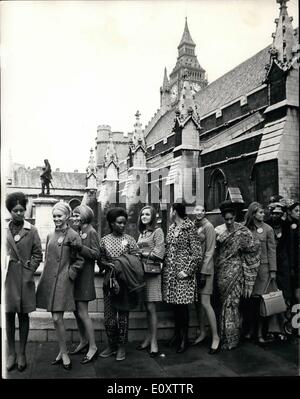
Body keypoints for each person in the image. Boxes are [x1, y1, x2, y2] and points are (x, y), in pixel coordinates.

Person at [36, 202, 84, 370]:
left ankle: (64, 354)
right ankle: (62, 351)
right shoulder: (50, 235)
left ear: (67, 216)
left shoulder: (73, 235)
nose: (57, 219)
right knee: (56, 319)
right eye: (54, 216)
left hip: (64, 280)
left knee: (57, 317)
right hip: (50, 280)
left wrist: (70, 273)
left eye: (60, 216)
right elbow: (48, 257)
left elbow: (79, 259)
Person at [4, 192, 43, 372]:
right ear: (9, 211)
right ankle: (10, 352)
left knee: (24, 315)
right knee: (9, 315)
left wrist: (30, 269)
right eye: (15, 210)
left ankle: (22, 353)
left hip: (24, 279)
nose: (19, 213)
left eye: (22, 210)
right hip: (7, 279)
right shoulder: (4, 230)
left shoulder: (32, 230)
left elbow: (38, 254)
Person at [215, 201, 260, 350]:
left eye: (231, 219)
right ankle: (225, 337)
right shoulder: (217, 231)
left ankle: (232, 339)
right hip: (221, 271)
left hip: (236, 271)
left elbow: (253, 248)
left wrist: (243, 261)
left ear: (234, 217)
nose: (228, 221)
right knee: (224, 304)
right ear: (222, 217)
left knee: (233, 304)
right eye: (226, 219)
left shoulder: (242, 231)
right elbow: (213, 251)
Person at [98, 207, 139, 361]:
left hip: (125, 282)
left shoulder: (130, 240)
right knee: (109, 316)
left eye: (124, 223)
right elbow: (100, 260)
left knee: (123, 316)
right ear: (111, 223)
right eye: (119, 223)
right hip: (109, 282)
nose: (122, 225)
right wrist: (105, 264)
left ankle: (122, 347)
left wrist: (123, 263)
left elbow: (136, 260)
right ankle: (111, 345)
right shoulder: (104, 240)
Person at [162, 202, 202, 354]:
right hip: (171, 273)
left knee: (183, 307)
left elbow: (197, 253)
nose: (170, 213)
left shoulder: (189, 227)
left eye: (171, 210)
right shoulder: (172, 228)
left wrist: (188, 271)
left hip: (183, 274)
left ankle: (185, 338)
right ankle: (177, 335)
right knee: (175, 306)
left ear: (174, 212)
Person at [69, 205, 100, 363]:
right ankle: (83, 341)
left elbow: (96, 253)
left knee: (82, 312)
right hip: (76, 276)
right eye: (73, 215)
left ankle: (93, 346)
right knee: (76, 311)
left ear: (85, 216)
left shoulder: (92, 231)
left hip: (85, 277)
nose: (74, 218)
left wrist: (81, 247)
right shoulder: (79, 231)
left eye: (77, 215)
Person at [244, 201, 277, 345]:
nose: (263, 215)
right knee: (250, 302)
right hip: (249, 269)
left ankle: (259, 333)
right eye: (260, 212)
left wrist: (273, 271)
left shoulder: (268, 229)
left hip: (264, 270)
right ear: (253, 214)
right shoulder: (246, 229)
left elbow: (272, 251)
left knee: (261, 302)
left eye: (263, 212)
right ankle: (250, 330)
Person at [136, 205, 165, 357]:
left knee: (151, 308)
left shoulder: (157, 231)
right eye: (142, 215)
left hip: (152, 274)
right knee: (147, 308)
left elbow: (159, 253)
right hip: (142, 274)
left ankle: (154, 342)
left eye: (147, 214)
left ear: (153, 216)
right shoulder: (142, 233)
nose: (144, 217)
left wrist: (140, 252)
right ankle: (148, 337)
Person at [192, 204, 220, 354]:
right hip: (195, 269)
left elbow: (210, 251)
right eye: (197, 209)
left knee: (205, 302)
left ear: (205, 212)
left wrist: (203, 272)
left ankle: (215, 337)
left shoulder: (208, 226)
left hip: (206, 270)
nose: (199, 212)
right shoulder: (193, 225)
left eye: (202, 210)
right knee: (197, 303)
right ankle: (202, 332)